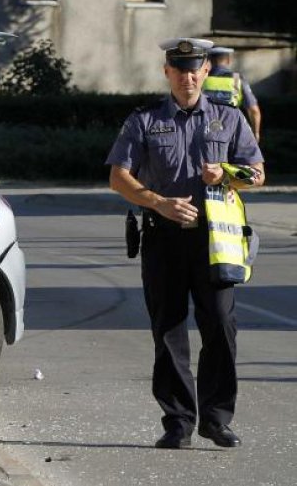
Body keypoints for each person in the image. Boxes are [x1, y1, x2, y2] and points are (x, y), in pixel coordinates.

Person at [105, 37, 265, 449]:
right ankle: (178, 421)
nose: (188, 77)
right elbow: (119, 177)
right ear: (167, 73)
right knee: (169, 331)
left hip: (216, 242)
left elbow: (258, 174)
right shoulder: (144, 120)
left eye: (195, 69)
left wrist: (226, 174)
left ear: (207, 71)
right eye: (179, 69)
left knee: (221, 327)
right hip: (163, 240)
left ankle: (216, 419)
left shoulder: (229, 119)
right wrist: (158, 203)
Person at [202, 46, 262, 143]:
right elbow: (254, 111)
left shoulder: (202, 79)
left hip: (206, 132)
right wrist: (256, 134)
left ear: (209, 60)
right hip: (232, 133)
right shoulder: (236, 80)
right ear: (229, 60)